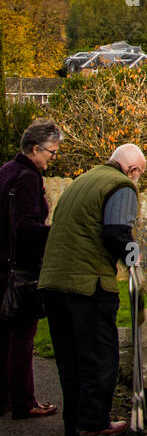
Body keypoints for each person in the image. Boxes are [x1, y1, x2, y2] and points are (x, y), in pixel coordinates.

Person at [39, 144, 146, 436]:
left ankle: (74, 421)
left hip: (54, 282)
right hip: (88, 284)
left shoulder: (82, 181)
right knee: (99, 355)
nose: (137, 180)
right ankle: (94, 421)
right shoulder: (121, 185)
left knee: (70, 355)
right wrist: (135, 260)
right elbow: (116, 231)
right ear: (133, 170)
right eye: (139, 175)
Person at [0, 120, 63, 419]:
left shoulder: (6, 171)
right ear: (35, 149)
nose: (53, 158)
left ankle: (5, 398)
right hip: (20, 268)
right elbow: (24, 228)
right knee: (23, 335)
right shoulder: (27, 178)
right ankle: (24, 402)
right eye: (51, 152)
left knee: (4, 333)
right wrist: (56, 232)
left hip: (3, 263)